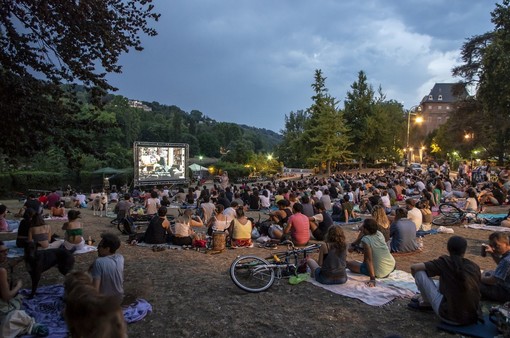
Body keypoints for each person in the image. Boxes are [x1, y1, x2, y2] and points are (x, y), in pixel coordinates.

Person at [410, 236, 482, 325]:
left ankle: (426, 302)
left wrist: (420, 286)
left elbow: (414, 268)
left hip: (448, 316)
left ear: (448, 248)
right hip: (472, 316)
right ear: (464, 250)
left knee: (419, 273)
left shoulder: (445, 262)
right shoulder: (474, 267)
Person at [0, 241, 49, 337]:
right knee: (17, 315)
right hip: (2, 308)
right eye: (2, 252)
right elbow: (7, 296)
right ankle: (31, 326)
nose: (5, 253)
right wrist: (18, 286)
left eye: (6, 250)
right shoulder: (1, 271)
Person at [347, 219, 396, 286]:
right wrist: (354, 244)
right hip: (391, 265)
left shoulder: (366, 240)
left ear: (366, 229)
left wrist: (372, 279)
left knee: (349, 264)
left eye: (363, 225)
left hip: (381, 271)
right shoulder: (379, 233)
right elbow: (363, 236)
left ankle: (371, 273)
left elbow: (368, 260)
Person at [89, 233, 124, 305]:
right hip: (119, 299)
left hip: (105, 302)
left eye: (100, 246)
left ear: (107, 249)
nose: (97, 248)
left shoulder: (99, 262)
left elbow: (95, 290)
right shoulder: (120, 258)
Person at [480, 232, 510, 302]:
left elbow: (492, 281)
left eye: (497, 245)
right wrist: (492, 254)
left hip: (506, 293)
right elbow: (502, 265)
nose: (493, 248)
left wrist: (478, 277)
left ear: (507, 244)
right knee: (488, 272)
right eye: (491, 245)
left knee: (473, 284)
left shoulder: (507, 260)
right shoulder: (507, 256)